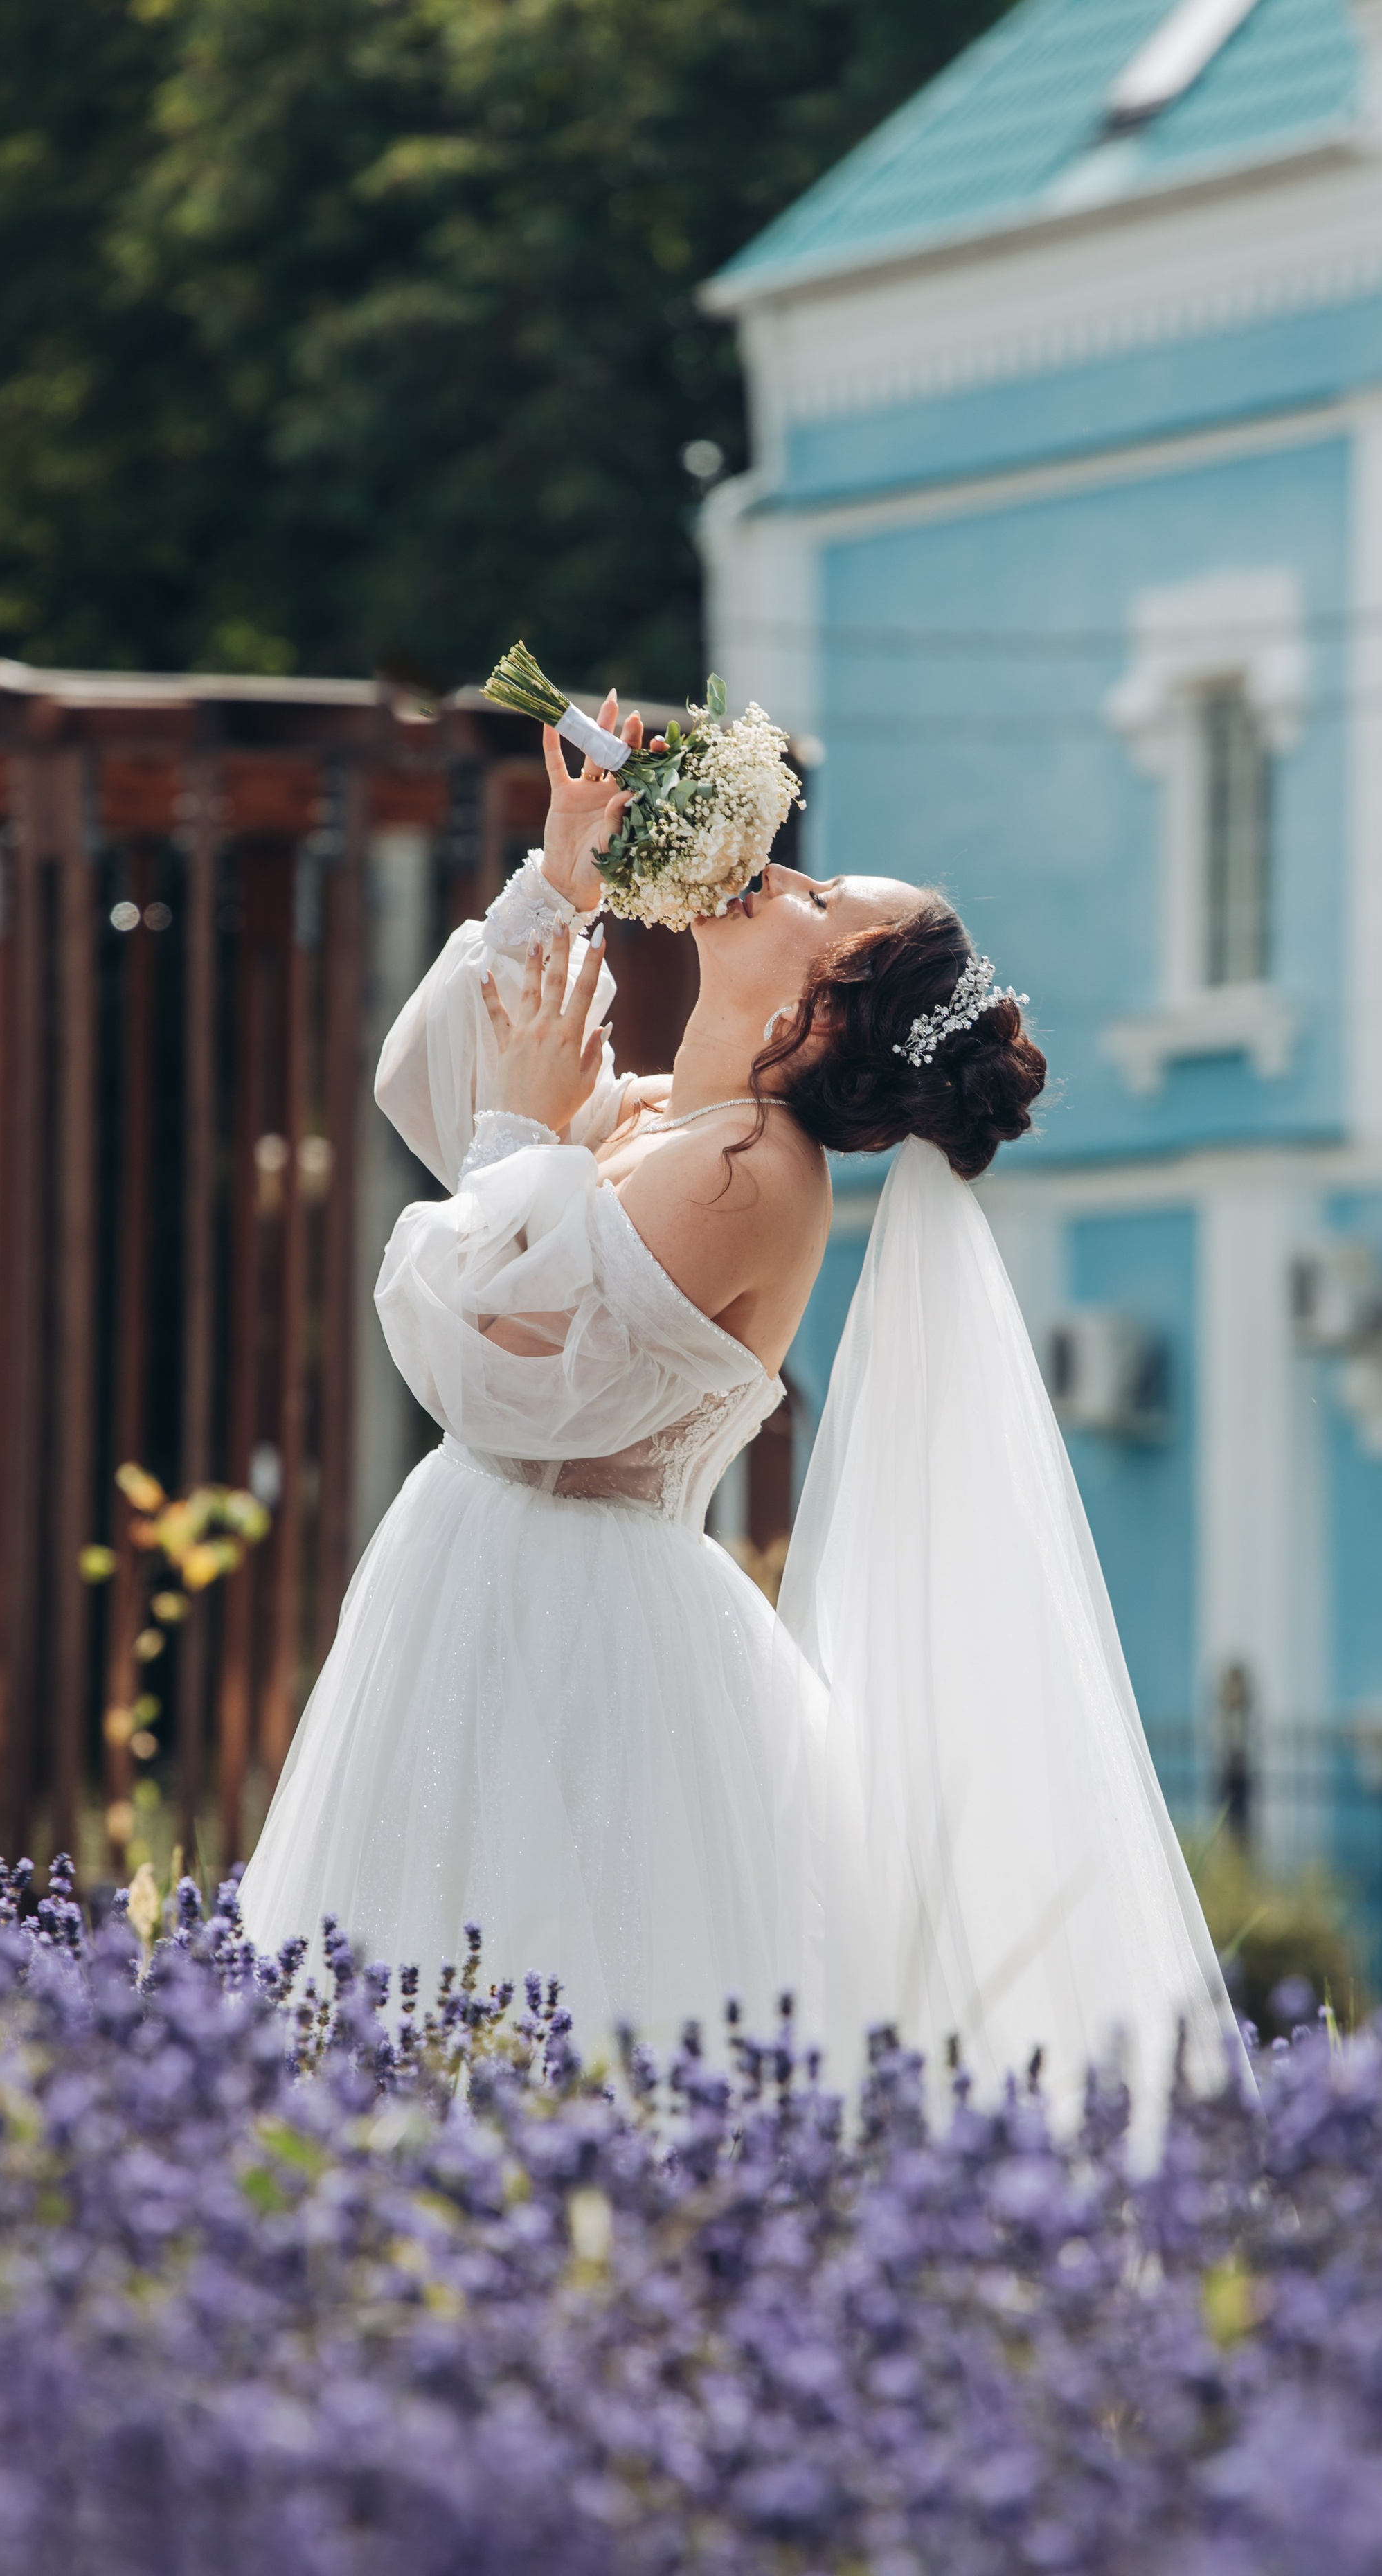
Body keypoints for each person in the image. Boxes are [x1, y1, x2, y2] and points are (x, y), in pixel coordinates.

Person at [239, 693, 1240, 2125]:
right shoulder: (673, 1120)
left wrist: (523, 1130)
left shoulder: (748, 1178)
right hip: (493, 1576)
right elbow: (430, 1090)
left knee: (532, 2035)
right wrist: (563, 879)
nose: (780, 871)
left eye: (821, 901)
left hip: (569, 1622)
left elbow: (498, 1369)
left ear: (815, 1013)